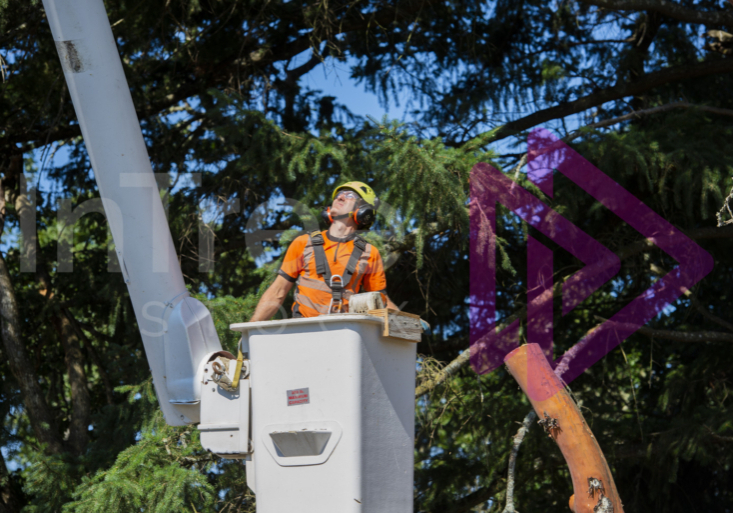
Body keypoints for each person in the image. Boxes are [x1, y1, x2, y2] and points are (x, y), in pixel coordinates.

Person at [249, 181, 399, 321]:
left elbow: (381, 302)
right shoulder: (303, 243)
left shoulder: (369, 253)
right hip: (303, 329)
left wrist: (410, 322)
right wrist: (250, 330)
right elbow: (277, 292)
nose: (340, 196)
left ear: (363, 211)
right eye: (339, 194)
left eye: (349, 195)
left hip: (343, 332)